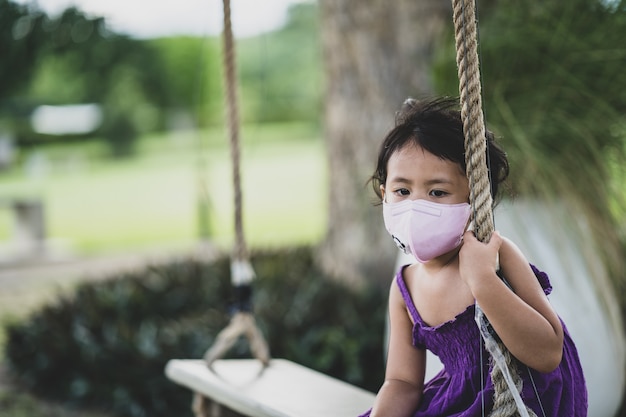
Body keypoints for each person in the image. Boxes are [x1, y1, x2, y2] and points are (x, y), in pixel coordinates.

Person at [359, 97, 587, 417]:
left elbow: (549, 352)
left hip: (527, 400)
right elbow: (402, 382)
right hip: (463, 401)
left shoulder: (498, 255)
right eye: (402, 191)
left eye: (437, 192)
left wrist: (483, 281)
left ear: (475, 200)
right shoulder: (405, 288)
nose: (416, 207)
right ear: (384, 194)